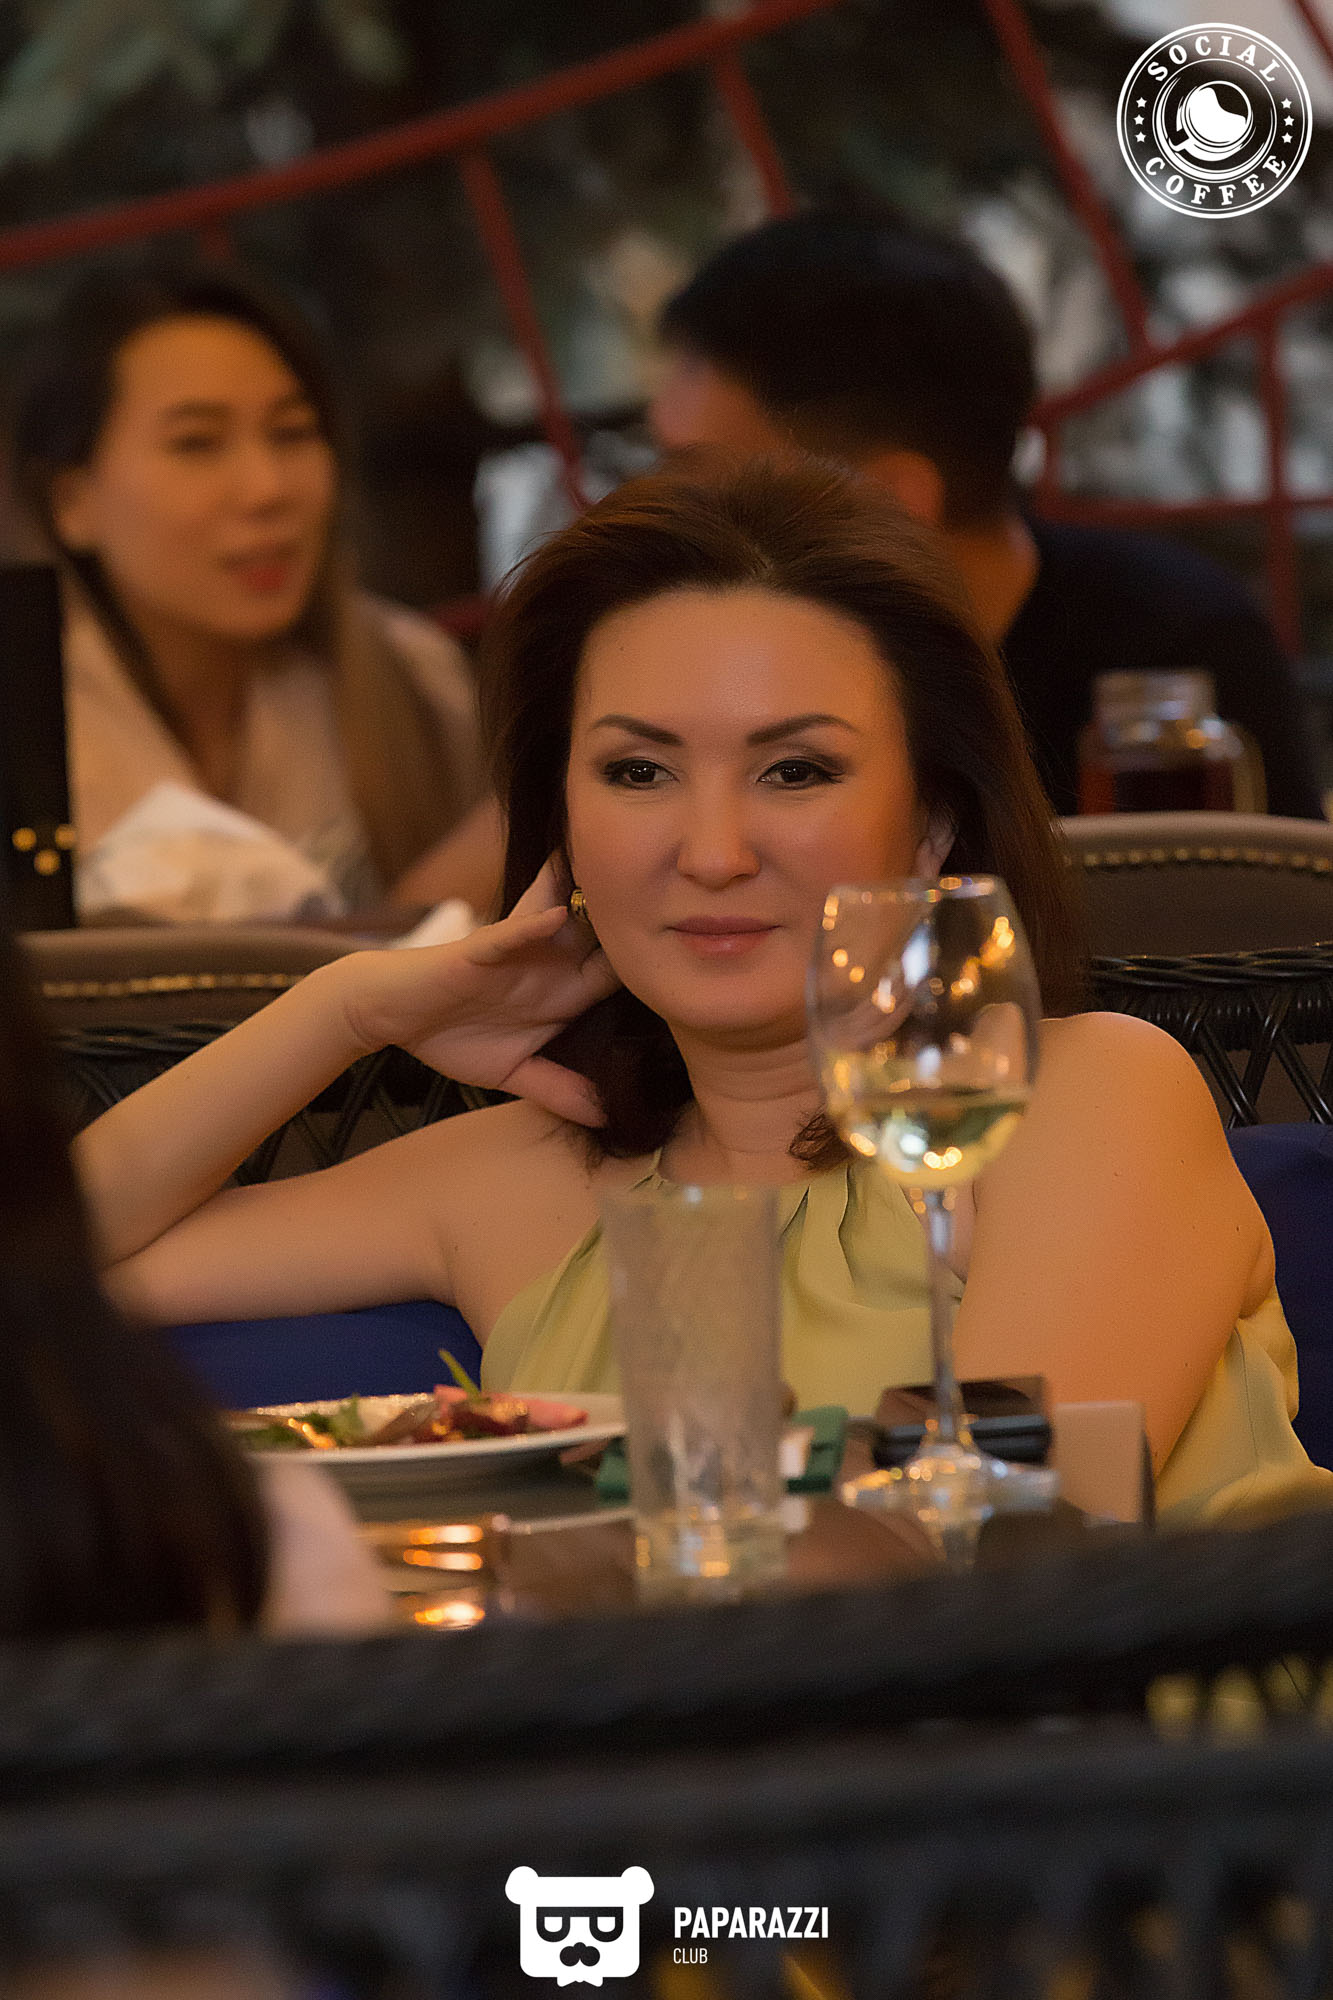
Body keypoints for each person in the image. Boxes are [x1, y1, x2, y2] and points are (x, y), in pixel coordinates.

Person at [73, 458, 1330, 1527]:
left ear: (931, 827)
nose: (714, 850)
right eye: (638, 772)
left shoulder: (1078, 1096)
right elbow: (44, 1262)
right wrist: (345, 1006)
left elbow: (1000, 1536)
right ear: (560, 820)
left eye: (795, 770)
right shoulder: (516, 1182)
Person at [649, 211, 1326, 822]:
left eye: (696, 472)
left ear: (888, 499)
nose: (660, 503)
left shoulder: (1168, 658)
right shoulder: (687, 665)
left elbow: (1261, 914)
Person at [7, 264, 503, 922]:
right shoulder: (25, 736)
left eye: (292, 432)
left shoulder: (411, 677)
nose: (267, 489)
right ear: (71, 502)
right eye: (197, 443)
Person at [0, 913, 389, 1638]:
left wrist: (350, 1008)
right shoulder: (256, 1541)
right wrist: (345, 1008)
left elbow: (50, 1271)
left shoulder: (253, 1541)